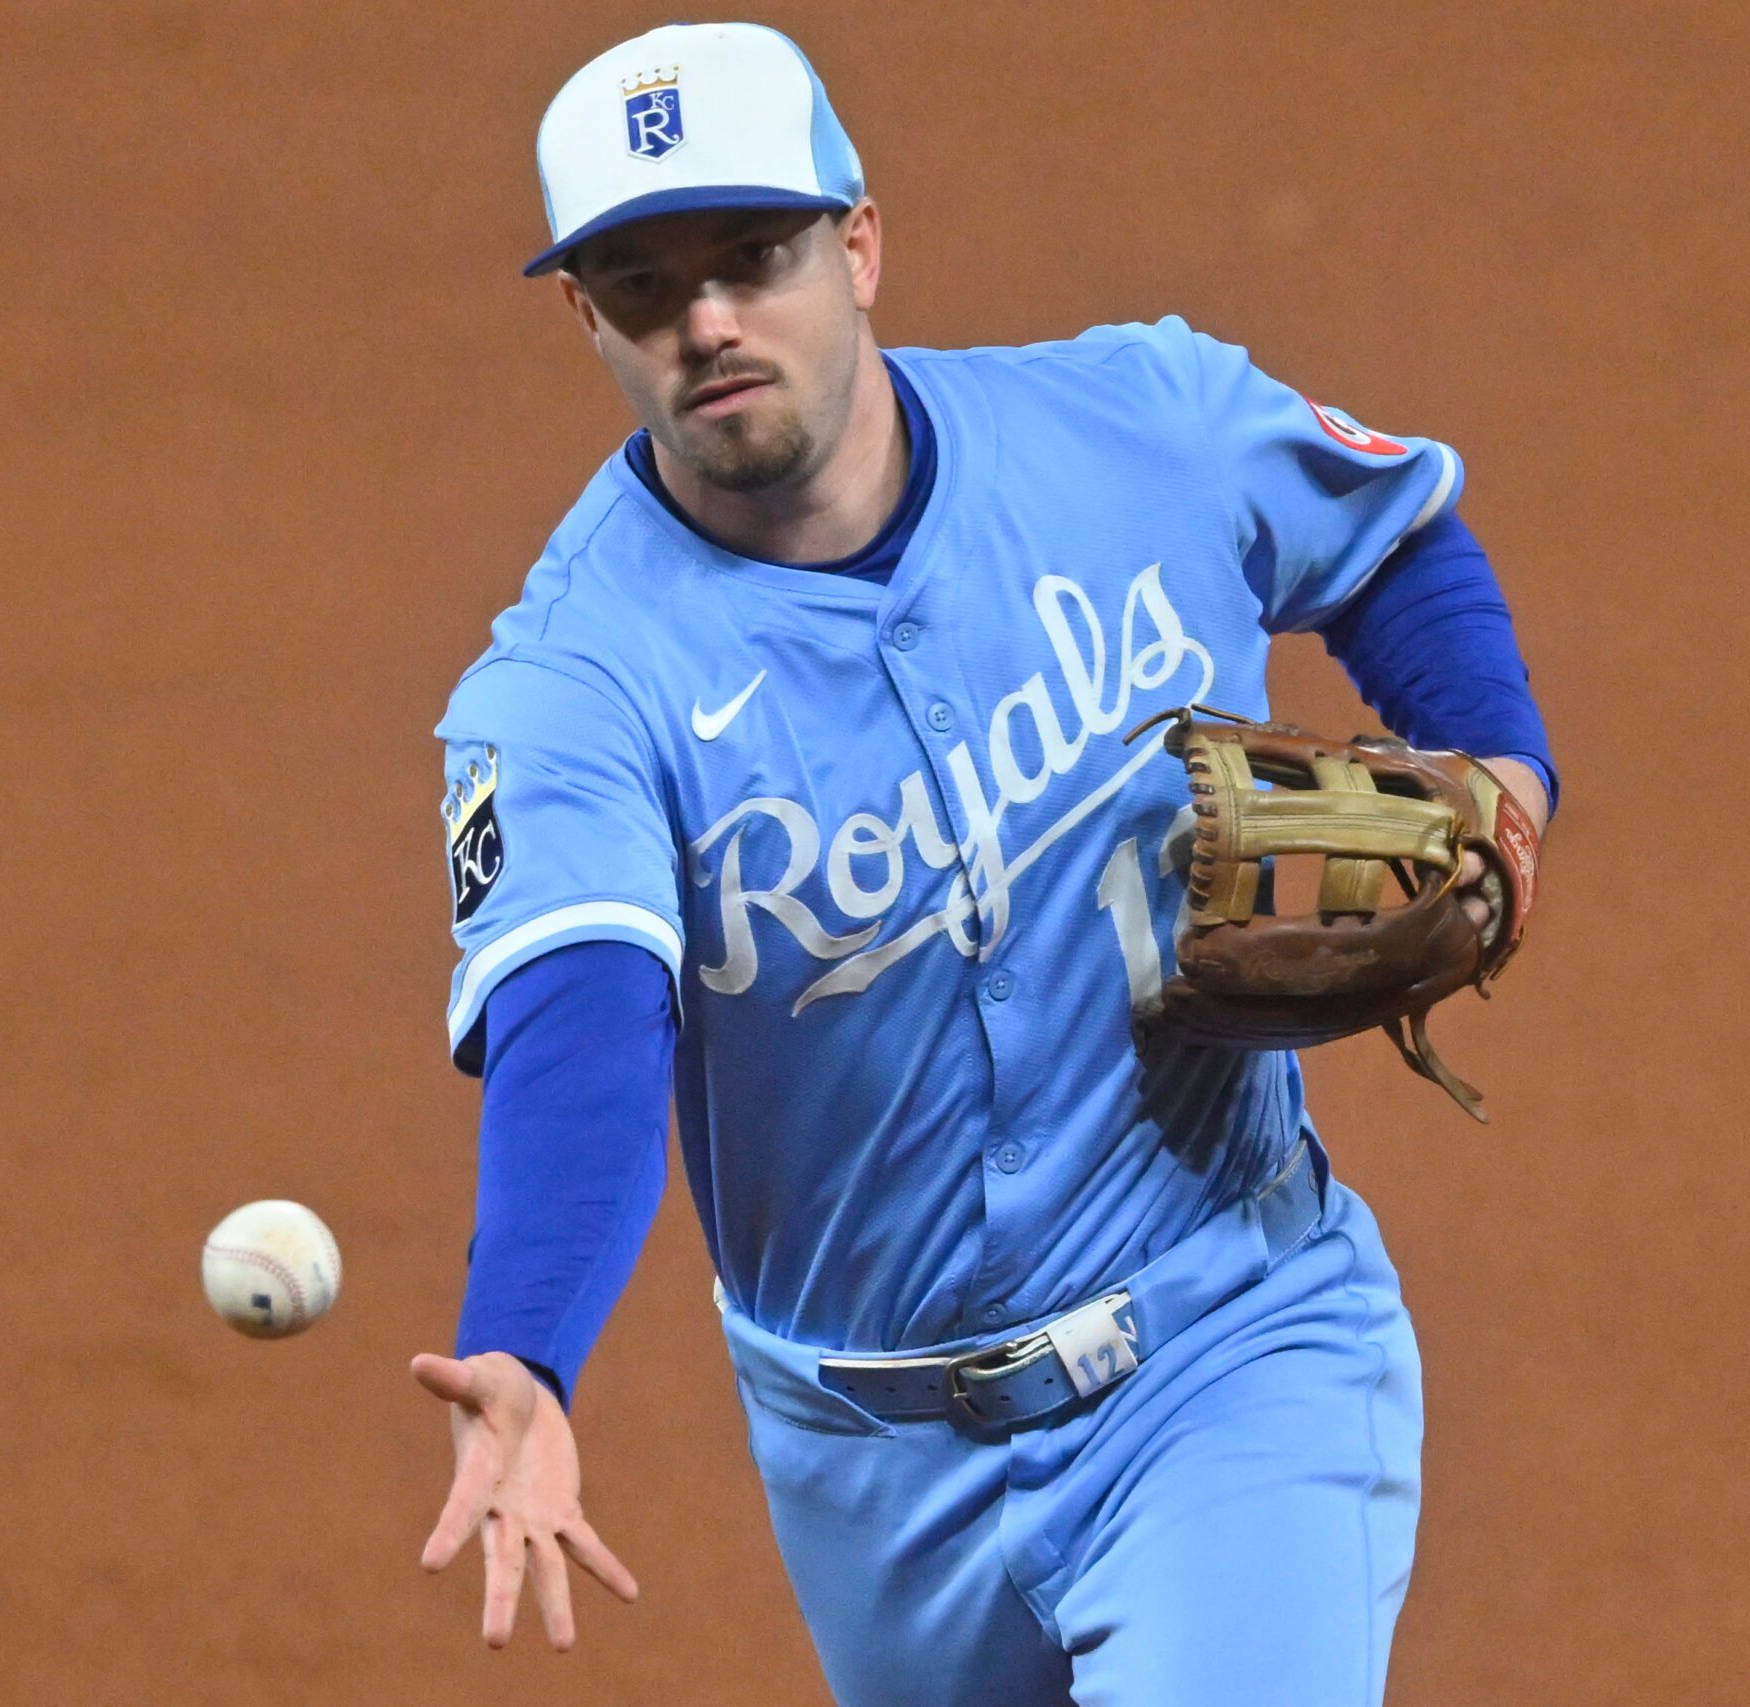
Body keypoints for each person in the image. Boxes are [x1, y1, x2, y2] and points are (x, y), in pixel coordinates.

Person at [413, 22, 1557, 1706]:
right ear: (584, 316)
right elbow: (583, 1028)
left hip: (1227, 1345)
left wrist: (1510, 773)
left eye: (756, 257)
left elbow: (1385, 532)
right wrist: (525, 1345)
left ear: (858, 243)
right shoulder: (567, 686)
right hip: (871, 1471)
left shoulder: (1143, 428)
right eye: (646, 285)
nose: (709, 321)